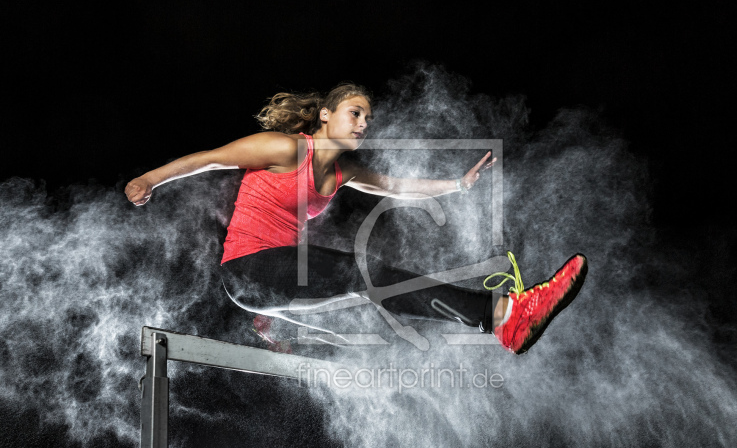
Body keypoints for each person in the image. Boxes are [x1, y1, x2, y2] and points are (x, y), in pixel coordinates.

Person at [124, 83, 587, 355]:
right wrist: (149, 177)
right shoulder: (287, 148)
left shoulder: (347, 171)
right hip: (246, 271)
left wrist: (458, 186)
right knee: (365, 273)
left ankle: (296, 336)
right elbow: (208, 159)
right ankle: (502, 314)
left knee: (367, 303)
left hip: (270, 286)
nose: (363, 123)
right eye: (355, 113)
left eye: (368, 117)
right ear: (325, 116)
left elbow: (396, 187)